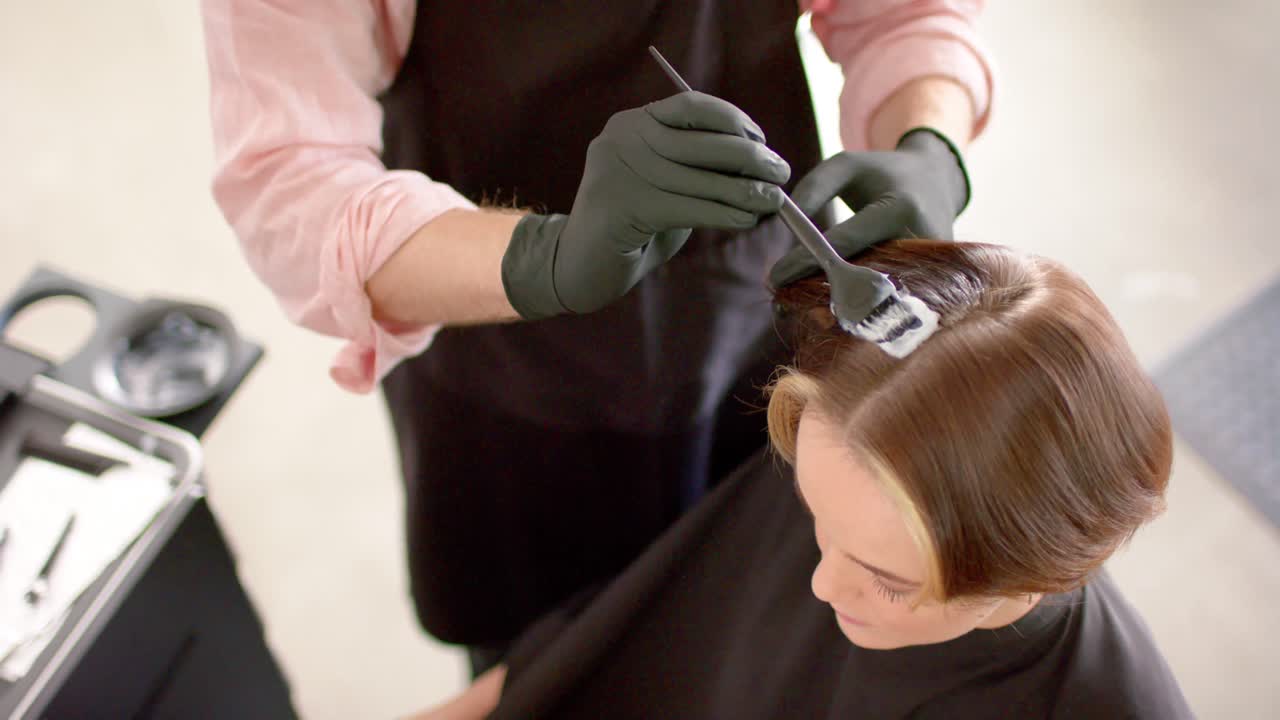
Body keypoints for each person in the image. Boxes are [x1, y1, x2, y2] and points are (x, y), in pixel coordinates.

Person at [200, 0, 995, 671]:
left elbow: (903, 13)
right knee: (560, 665)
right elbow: (288, 177)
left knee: (762, 614)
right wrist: (541, 259)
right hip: (503, 358)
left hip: (756, 303)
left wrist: (927, 143)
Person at [409, 239, 1192, 718]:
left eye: (889, 581)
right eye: (816, 518)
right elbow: (609, 648)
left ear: (1036, 576)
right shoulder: (855, 493)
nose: (822, 584)